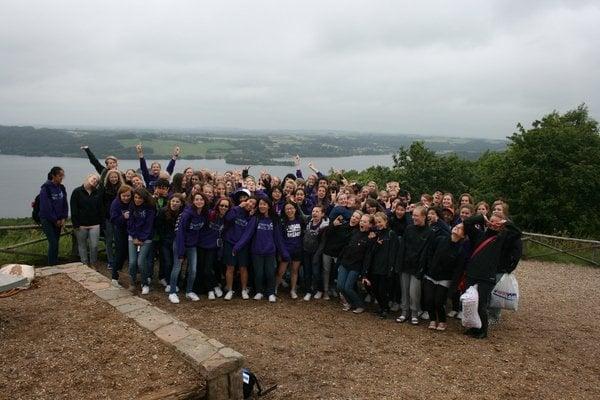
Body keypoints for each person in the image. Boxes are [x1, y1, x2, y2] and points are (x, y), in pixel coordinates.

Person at [462, 210, 521, 339]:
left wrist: (505, 223)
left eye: (496, 222)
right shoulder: (479, 234)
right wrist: (481, 218)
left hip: (486, 277)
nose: (493, 224)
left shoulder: (503, 239)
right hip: (472, 274)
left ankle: (483, 330)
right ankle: (473, 327)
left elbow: (517, 233)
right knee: (470, 303)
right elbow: (466, 223)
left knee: (481, 305)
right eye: (492, 221)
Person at [234, 197, 290, 303]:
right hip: (256, 252)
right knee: (258, 273)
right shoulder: (255, 218)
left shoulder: (274, 219)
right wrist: (237, 246)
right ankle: (259, 292)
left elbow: (278, 238)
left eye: (264, 204)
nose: (262, 206)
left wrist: (284, 252)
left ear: (269, 206)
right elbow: (247, 234)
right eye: (260, 204)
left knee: (270, 273)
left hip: (270, 252)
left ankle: (271, 293)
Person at [422, 223, 466, 331]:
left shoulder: (461, 250)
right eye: (456, 226)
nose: (457, 228)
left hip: (445, 278)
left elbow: (458, 270)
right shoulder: (440, 239)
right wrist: (429, 266)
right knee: (428, 299)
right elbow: (430, 251)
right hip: (431, 274)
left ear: (463, 235)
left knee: (438, 301)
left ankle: (442, 320)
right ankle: (432, 319)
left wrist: (453, 287)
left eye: (461, 229)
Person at [395, 206, 433, 325]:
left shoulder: (429, 232)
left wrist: (423, 267)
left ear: (424, 217)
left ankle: (414, 313)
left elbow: (427, 252)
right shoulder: (409, 228)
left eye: (416, 215)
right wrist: (399, 264)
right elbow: (402, 248)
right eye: (413, 215)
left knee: (414, 292)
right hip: (405, 265)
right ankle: (404, 312)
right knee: (404, 290)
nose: (413, 217)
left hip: (418, 267)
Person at [168, 193, 208, 304]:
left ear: (204, 201)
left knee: (193, 270)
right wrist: (181, 253)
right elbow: (180, 233)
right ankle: (172, 292)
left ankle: (189, 291)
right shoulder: (187, 214)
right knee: (177, 268)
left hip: (192, 245)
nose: (199, 201)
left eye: (201, 199)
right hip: (180, 243)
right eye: (196, 199)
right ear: (193, 201)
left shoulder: (204, 214)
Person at [362, 212, 399, 319]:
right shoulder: (375, 234)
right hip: (375, 266)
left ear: (386, 221)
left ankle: (385, 308)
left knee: (382, 289)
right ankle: (382, 306)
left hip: (385, 266)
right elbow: (371, 251)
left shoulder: (391, 234)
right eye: (376, 222)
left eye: (380, 222)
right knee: (375, 288)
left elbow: (393, 252)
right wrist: (375, 243)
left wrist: (391, 268)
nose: (378, 224)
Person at [336, 213, 375, 313]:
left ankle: (360, 305)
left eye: (365, 222)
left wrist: (364, 272)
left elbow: (367, 256)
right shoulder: (354, 232)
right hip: (345, 263)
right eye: (361, 220)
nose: (362, 222)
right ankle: (349, 303)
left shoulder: (370, 238)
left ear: (370, 225)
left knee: (348, 287)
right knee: (340, 286)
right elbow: (345, 247)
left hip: (356, 266)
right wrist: (339, 262)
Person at [196, 196, 231, 300]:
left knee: (208, 269)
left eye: (226, 206)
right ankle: (212, 289)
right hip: (202, 245)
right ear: (217, 205)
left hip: (213, 247)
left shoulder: (227, 219)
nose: (223, 208)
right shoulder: (211, 214)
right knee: (202, 269)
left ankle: (214, 287)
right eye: (221, 205)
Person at [127, 188, 156, 294]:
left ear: (144, 198)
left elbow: (149, 225)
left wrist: (141, 238)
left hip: (146, 237)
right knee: (132, 262)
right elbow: (130, 223)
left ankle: (145, 283)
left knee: (140, 262)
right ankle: (132, 282)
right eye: (135, 197)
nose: (137, 200)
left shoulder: (150, 208)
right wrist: (134, 237)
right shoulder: (132, 206)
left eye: (140, 198)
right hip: (133, 236)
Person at [70, 173, 103, 268]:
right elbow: (73, 208)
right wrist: (76, 224)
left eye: (97, 180)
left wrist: (101, 223)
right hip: (81, 225)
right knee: (82, 246)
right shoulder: (77, 191)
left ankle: (93, 263)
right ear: (88, 177)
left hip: (95, 224)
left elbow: (101, 208)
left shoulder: (97, 193)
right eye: (93, 178)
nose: (95, 181)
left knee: (94, 246)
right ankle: (85, 265)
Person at [155, 193, 185, 293]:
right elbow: (158, 226)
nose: (174, 203)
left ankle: (177, 281)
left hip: (178, 241)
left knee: (176, 262)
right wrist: (164, 238)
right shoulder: (162, 211)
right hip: (165, 241)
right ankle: (168, 282)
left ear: (181, 204)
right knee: (167, 262)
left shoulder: (183, 213)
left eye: (177, 202)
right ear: (169, 201)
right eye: (173, 201)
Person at [39, 167, 68, 265]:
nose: (62, 178)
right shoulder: (45, 188)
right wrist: (55, 220)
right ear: (53, 176)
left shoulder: (61, 188)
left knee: (56, 243)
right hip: (47, 220)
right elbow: (46, 207)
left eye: (62, 176)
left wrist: (63, 217)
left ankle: (54, 263)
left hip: (59, 220)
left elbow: (65, 203)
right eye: (60, 176)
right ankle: (51, 265)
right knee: (53, 242)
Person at [276, 201, 306, 299]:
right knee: (281, 271)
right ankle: (275, 287)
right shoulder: (282, 222)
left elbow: (302, 235)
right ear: (284, 211)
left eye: (291, 208)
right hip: (286, 250)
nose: (290, 210)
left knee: (294, 271)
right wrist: (283, 252)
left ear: (295, 209)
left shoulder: (300, 220)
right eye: (287, 209)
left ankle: (293, 289)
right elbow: (279, 238)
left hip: (297, 250)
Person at [301, 205, 329, 301]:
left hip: (316, 253)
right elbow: (301, 214)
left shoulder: (324, 226)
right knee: (307, 272)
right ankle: (308, 291)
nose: (315, 213)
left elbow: (323, 243)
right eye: (313, 211)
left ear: (322, 214)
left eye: (317, 211)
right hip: (306, 251)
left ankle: (320, 289)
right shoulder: (309, 221)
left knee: (316, 272)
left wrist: (317, 255)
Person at [109, 185, 133, 285]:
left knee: (131, 254)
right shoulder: (116, 204)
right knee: (120, 253)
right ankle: (114, 276)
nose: (126, 198)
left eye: (128, 196)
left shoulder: (133, 202)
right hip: (120, 231)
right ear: (120, 195)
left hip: (132, 231)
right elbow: (114, 220)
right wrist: (123, 217)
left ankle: (132, 276)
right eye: (124, 196)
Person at [100, 170, 123, 269]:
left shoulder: (122, 188)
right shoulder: (103, 189)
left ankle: (118, 259)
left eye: (115, 177)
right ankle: (110, 260)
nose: (114, 179)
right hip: (108, 218)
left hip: (119, 218)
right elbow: (100, 204)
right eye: (112, 177)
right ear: (108, 178)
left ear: (118, 177)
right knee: (108, 240)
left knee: (118, 240)